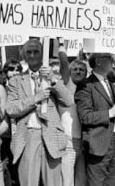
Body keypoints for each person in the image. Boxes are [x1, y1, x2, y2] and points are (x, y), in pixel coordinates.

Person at [6, 39, 72, 186]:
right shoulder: (16, 80)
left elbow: (68, 101)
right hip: (28, 136)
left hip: (51, 136)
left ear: (42, 54)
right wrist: (35, 99)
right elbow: (11, 109)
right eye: (28, 52)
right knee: (28, 182)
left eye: (36, 51)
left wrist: (52, 80)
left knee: (53, 183)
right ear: (23, 54)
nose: (32, 55)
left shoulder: (53, 77)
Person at [75, 52, 115, 186]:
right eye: (109, 58)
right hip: (99, 142)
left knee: (111, 181)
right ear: (98, 61)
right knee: (97, 181)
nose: (113, 62)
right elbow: (85, 117)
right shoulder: (86, 85)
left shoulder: (113, 81)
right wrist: (110, 113)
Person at [58, 41, 87, 186]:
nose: (78, 71)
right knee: (67, 182)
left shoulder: (88, 88)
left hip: (84, 143)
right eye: (74, 69)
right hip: (68, 142)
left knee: (81, 183)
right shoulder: (65, 86)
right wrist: (61, 42)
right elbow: (64, 63)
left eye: (82, 69)